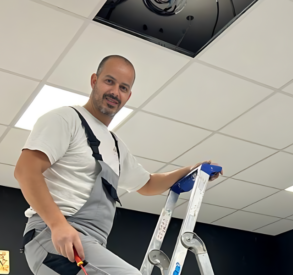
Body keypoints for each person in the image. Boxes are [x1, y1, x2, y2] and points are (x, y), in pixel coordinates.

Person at [14, 55, 222, 275]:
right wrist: (58, 225)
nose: (115, 91)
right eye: (109, 81)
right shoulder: (66, 119)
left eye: (123, 87)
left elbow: (148, 184)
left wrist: (191, 170)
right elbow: (25, 170)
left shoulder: (116, 147)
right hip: (53, 236)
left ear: (128, 95)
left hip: (90, 245)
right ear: (94, 80)